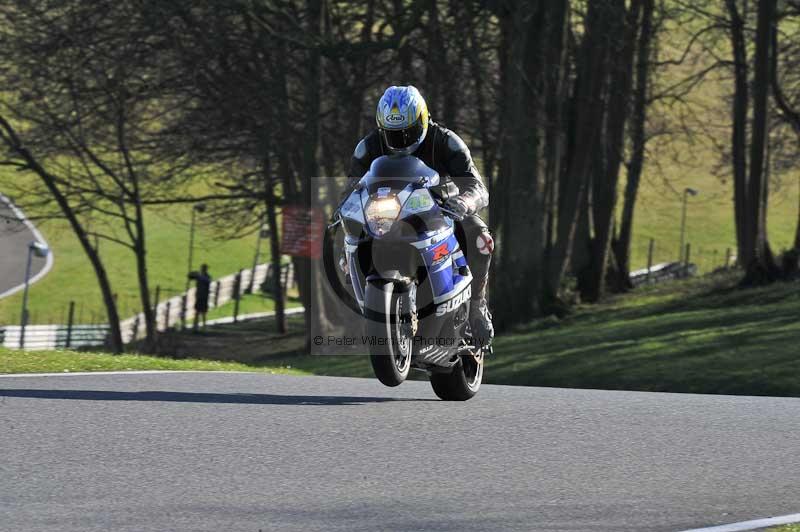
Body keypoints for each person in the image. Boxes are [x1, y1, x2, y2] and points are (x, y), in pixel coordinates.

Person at [345, 85, 494, 346]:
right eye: (393, 134)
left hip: (442, 210)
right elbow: (350, 188)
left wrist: (463, 202)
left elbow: (477, 186)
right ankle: (373, 307)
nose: (401, 141)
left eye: (408, 133)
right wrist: (343, 209)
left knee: (481, 239)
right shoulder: (367, 147)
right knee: (348, 247)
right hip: (386, 213)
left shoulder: (446, 141)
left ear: (423, 120)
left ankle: (477, 304)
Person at [189, 263, 211, 331]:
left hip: (204, 297)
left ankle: (203, 327)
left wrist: (198, 275)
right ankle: (196, 327)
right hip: (199, 296)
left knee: (203, 312)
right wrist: (193, 273)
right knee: (197, 312)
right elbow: (190, 277)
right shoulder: (200, 276)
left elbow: (206, 281)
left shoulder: (206, 277)